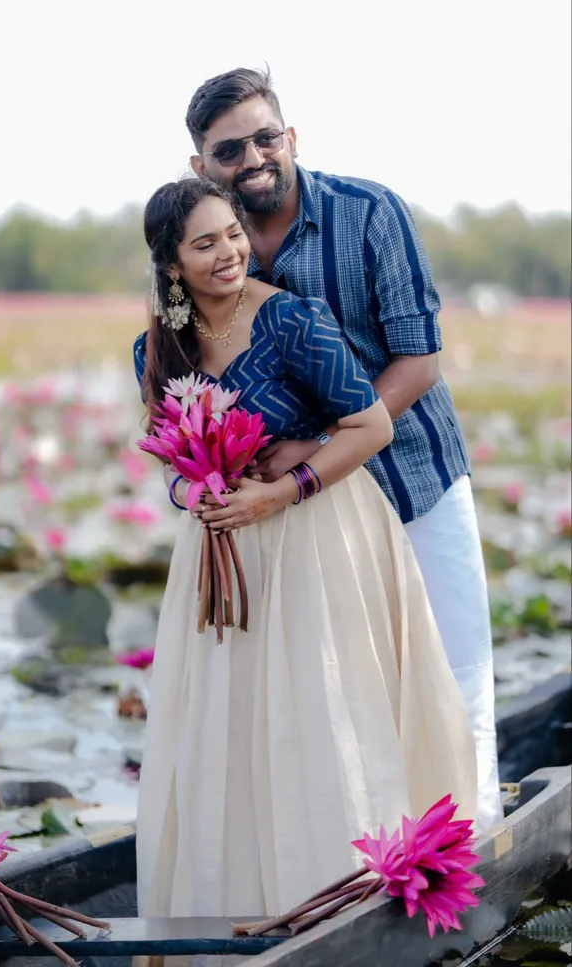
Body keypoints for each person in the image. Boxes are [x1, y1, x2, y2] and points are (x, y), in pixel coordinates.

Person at [132, 177, 478, 919]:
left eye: (233, 234)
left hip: (317, 534)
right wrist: (197, 495)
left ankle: (335, 890)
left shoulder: (291, 320)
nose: (229, 252)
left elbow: (370, 426)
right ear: (171, 266)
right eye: (205, 244)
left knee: (319, 705)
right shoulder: (156, 348)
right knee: (227, 718)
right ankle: (236, 900)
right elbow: (169, 462)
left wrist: (279, 492)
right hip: (222, 549)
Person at [185, 66, 501, 832]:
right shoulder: (206, 253)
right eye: (229, 150)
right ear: (201, 165)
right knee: (338, 691)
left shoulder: (367, 213)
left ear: (291, 137)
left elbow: (418, 363)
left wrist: (317, 448)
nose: (253, 158)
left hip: (411, 475)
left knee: (456, 673)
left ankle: (476, 839)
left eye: (265, 138)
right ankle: (363, 848)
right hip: (308, 515)